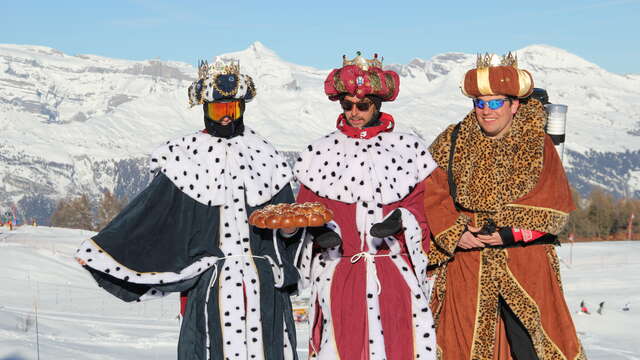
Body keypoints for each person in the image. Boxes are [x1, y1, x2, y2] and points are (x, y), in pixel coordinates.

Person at [75, 60, 301, 360]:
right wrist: (104, 251)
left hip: (265, 287)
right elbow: (149, 214)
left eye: (232, 110)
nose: (225, 119)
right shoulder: (184, 157)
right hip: (210, 286)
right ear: (206, 109)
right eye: (218, 110)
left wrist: (290, 230)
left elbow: (288, 217)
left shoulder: (266, 155)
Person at [424, 53, 586, 359]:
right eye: (480, 103)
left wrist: (509, 233)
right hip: (467, 264)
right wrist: (455, 232)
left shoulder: (537, 144)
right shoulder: (452, 139)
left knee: (534, 347)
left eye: (496, 102)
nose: (486, 111)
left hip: (525, 262)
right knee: (463, 346)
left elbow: (552, 203)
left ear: (514, 104)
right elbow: (430, 191)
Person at [293, 52, 438, 359]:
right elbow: (303, 210)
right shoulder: (320, 152)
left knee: (400, 346)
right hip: (339, 272)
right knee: (340, 346)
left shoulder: (407, 149)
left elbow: (425, 209)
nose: (354, 112)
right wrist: (317, 231)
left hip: (393, 273)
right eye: (347, 105)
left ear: (377, 105)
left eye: (362, 106)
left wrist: (403, 221)